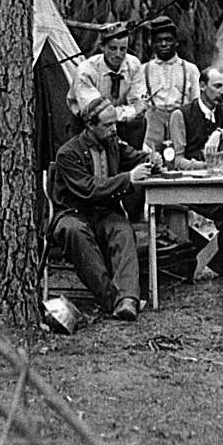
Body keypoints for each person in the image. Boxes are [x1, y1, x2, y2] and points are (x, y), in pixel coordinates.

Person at [51, 97, 159, 321]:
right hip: (73, 213)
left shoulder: (112, 144)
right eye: (108, 125)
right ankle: (112, 300)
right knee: (75, 233)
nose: (113, 129)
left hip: (103, 212)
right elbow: (88, 189)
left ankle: (128, 299)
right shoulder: (68, 153)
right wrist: (129, 178)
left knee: (122, 229)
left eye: (115, 124)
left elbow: (133, 157)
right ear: (90, 125)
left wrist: (151, 159)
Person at [168, 67, 223, 286]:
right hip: (192, 186)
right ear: (201, 86)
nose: (222, 91)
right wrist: (205, 165)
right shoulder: (180, 115)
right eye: (217, 86)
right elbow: (176, 160)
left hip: (218, 183)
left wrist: (220, 133)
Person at [66, 22, 147, 150]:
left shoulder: (134, 65)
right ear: (102, 47)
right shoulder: (86, 70)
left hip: (120, 123)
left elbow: (139, 105)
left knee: (138, 122)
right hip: (88, 123)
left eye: (123, 49)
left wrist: (133, 111)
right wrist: (130, 111)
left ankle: (134, 161)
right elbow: (96, 112)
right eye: (113, 48)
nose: (118, 54)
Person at [141, 15, 200, 150]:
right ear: (152, 43)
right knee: (152, 160)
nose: (163, 44)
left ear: (176, 42)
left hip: (181, 122)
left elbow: (196, 103)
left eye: (168, 40)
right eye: (159, 41)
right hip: (153, 126)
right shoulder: (143, 70)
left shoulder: (190, 69)